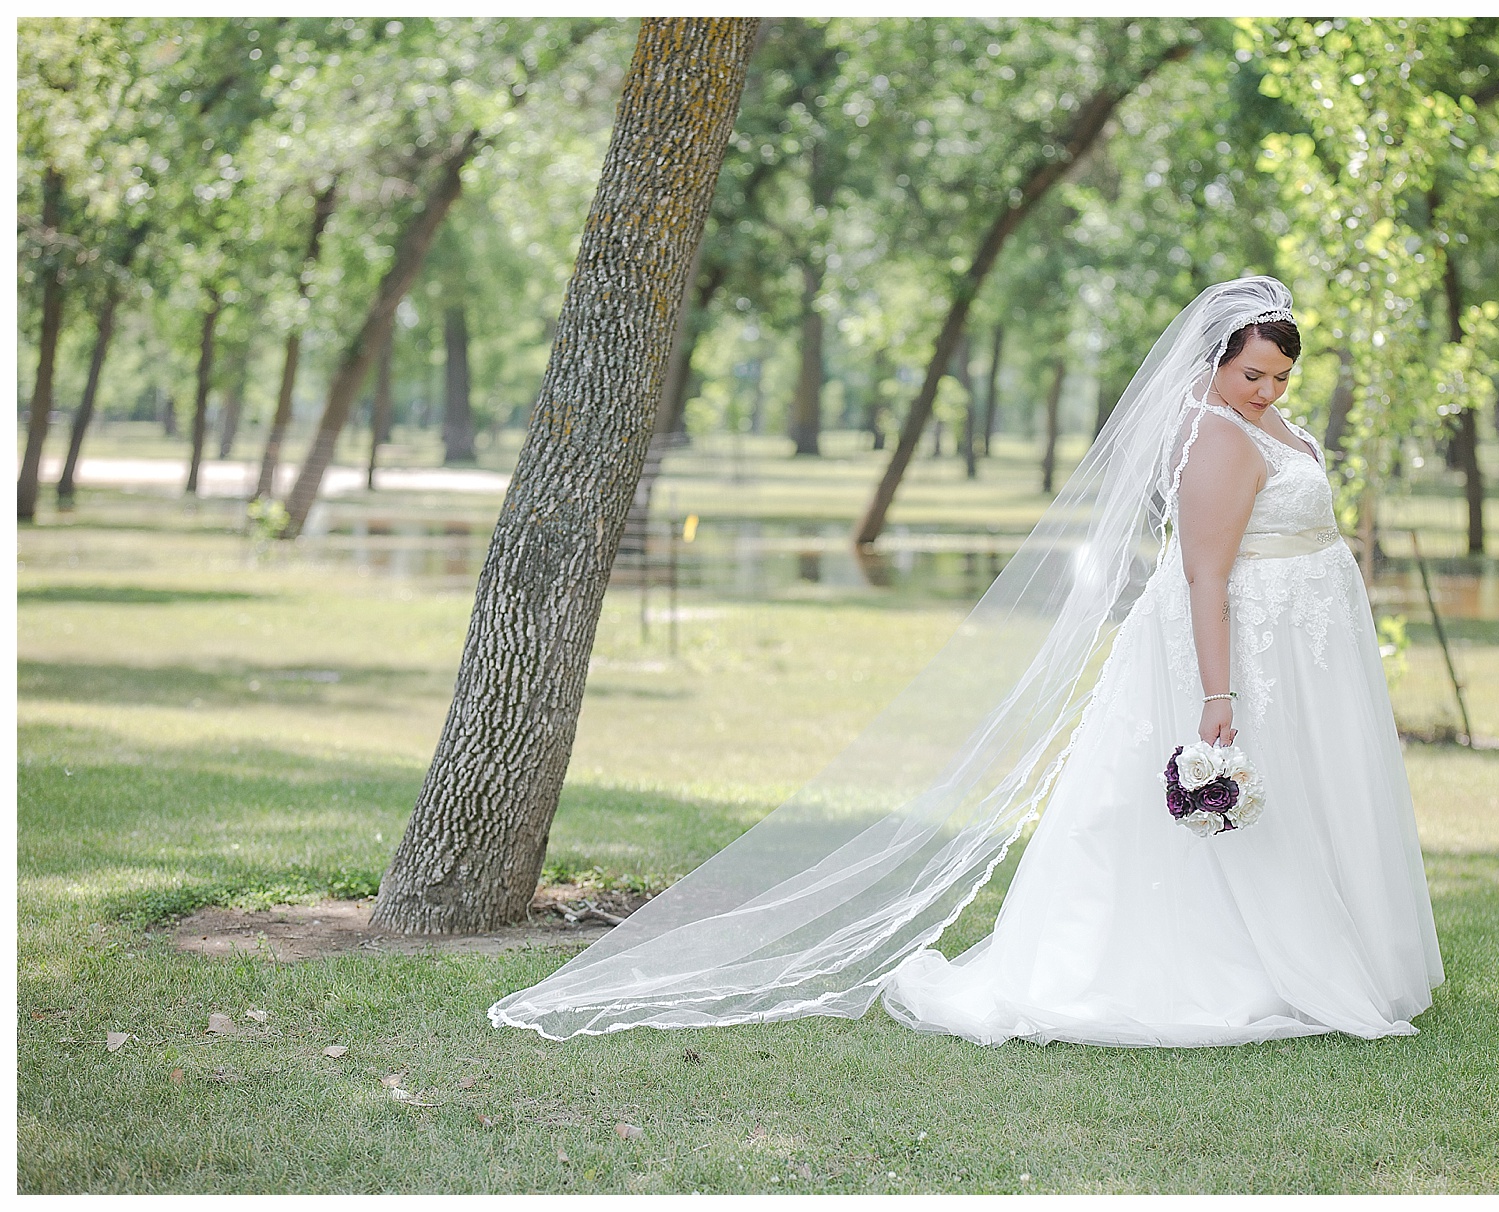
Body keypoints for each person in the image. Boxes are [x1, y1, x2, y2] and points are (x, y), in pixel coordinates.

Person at [488, 276, 1443, 1046]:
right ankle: (1231, 965)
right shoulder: (1218, 446)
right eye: (1254, 377)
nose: (1269, 393)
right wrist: (1218, 693)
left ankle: (1326, 945)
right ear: (1216, 363)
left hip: (1305, 646)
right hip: (1238, 650)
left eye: (1281, 379)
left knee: (1312, 798)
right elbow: (1203, 578)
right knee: (1216, 818)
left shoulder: (1270, 427)